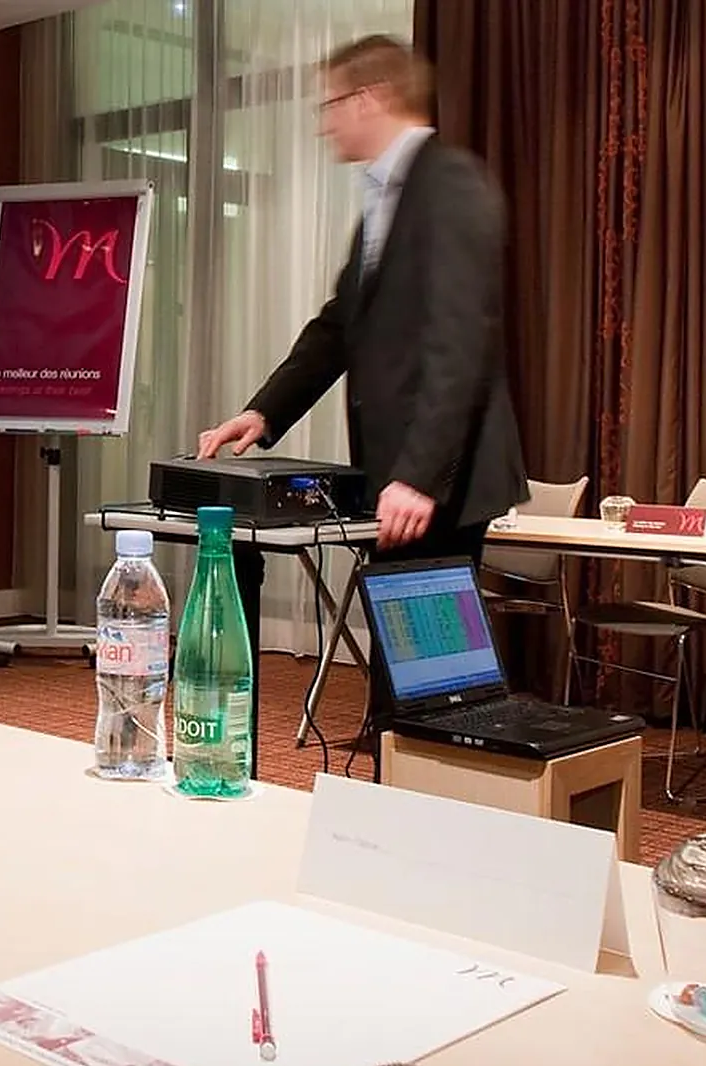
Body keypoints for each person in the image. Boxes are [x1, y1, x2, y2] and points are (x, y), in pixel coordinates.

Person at [195, 35, 529, 735]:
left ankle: (423, 796)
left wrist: (418, 477)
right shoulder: (386, 197)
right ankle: (391, 778)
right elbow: (339, 326)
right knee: (400, 664)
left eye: (331, 106)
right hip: (402, 477)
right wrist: (262, 411)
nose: (325, 124)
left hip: (442, 479)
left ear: (368, 98)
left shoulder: (452, 184)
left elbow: (459, 343)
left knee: (432, 671)